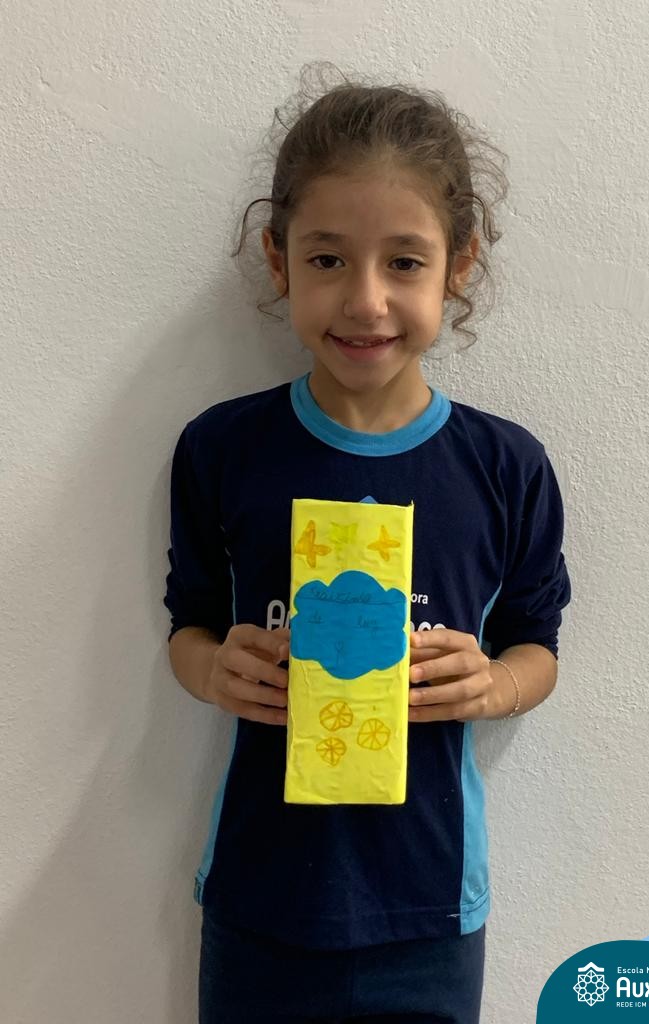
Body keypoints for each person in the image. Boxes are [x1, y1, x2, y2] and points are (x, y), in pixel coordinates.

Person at [164, 62, 572, 1024]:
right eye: (327, 259)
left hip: (427, 912)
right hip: (261, 901)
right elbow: (188, 625)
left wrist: (495, 684)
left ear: (459, 265)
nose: (365, 300)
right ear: (278, 261)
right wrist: (214, 668)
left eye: (404, 262)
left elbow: (538, 645)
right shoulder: (223, 449)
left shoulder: (504, 468)